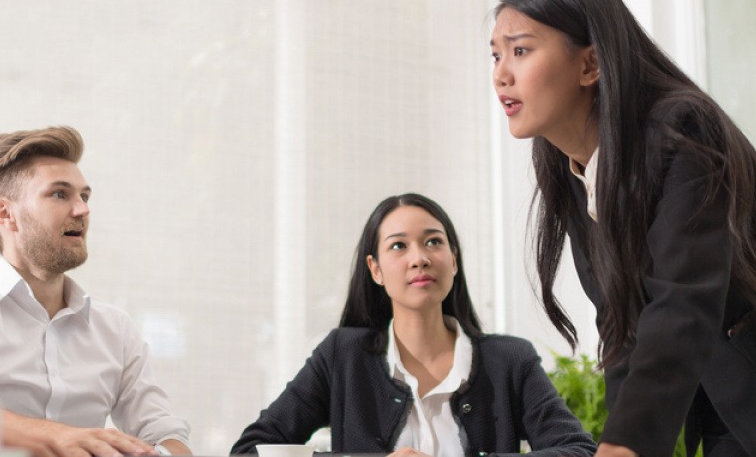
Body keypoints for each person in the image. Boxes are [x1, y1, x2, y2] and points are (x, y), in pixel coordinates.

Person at [490, 0, 756, 457]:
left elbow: (683, 301)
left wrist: (627, 444)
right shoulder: (574, 174)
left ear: (591, 63)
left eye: (520, 50)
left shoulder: (683, 131)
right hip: (735, 410)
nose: (500, 74)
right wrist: (619, 443)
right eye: (495, 55)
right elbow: (624, 331)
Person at [231, 193, 596, 457]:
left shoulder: (510, 360)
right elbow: (251, 450)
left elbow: (578, 450)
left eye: (433, 242)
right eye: (398, 247)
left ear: (453, 260)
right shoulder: (342, 356)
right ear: (375, 270)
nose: (419, 258)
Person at [0, 126, 191, 456]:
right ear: (5, 213)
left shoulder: (115, 328)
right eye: (60, 194)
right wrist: (61, 437)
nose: (82, 210)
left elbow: (166, 434)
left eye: (84, 196)